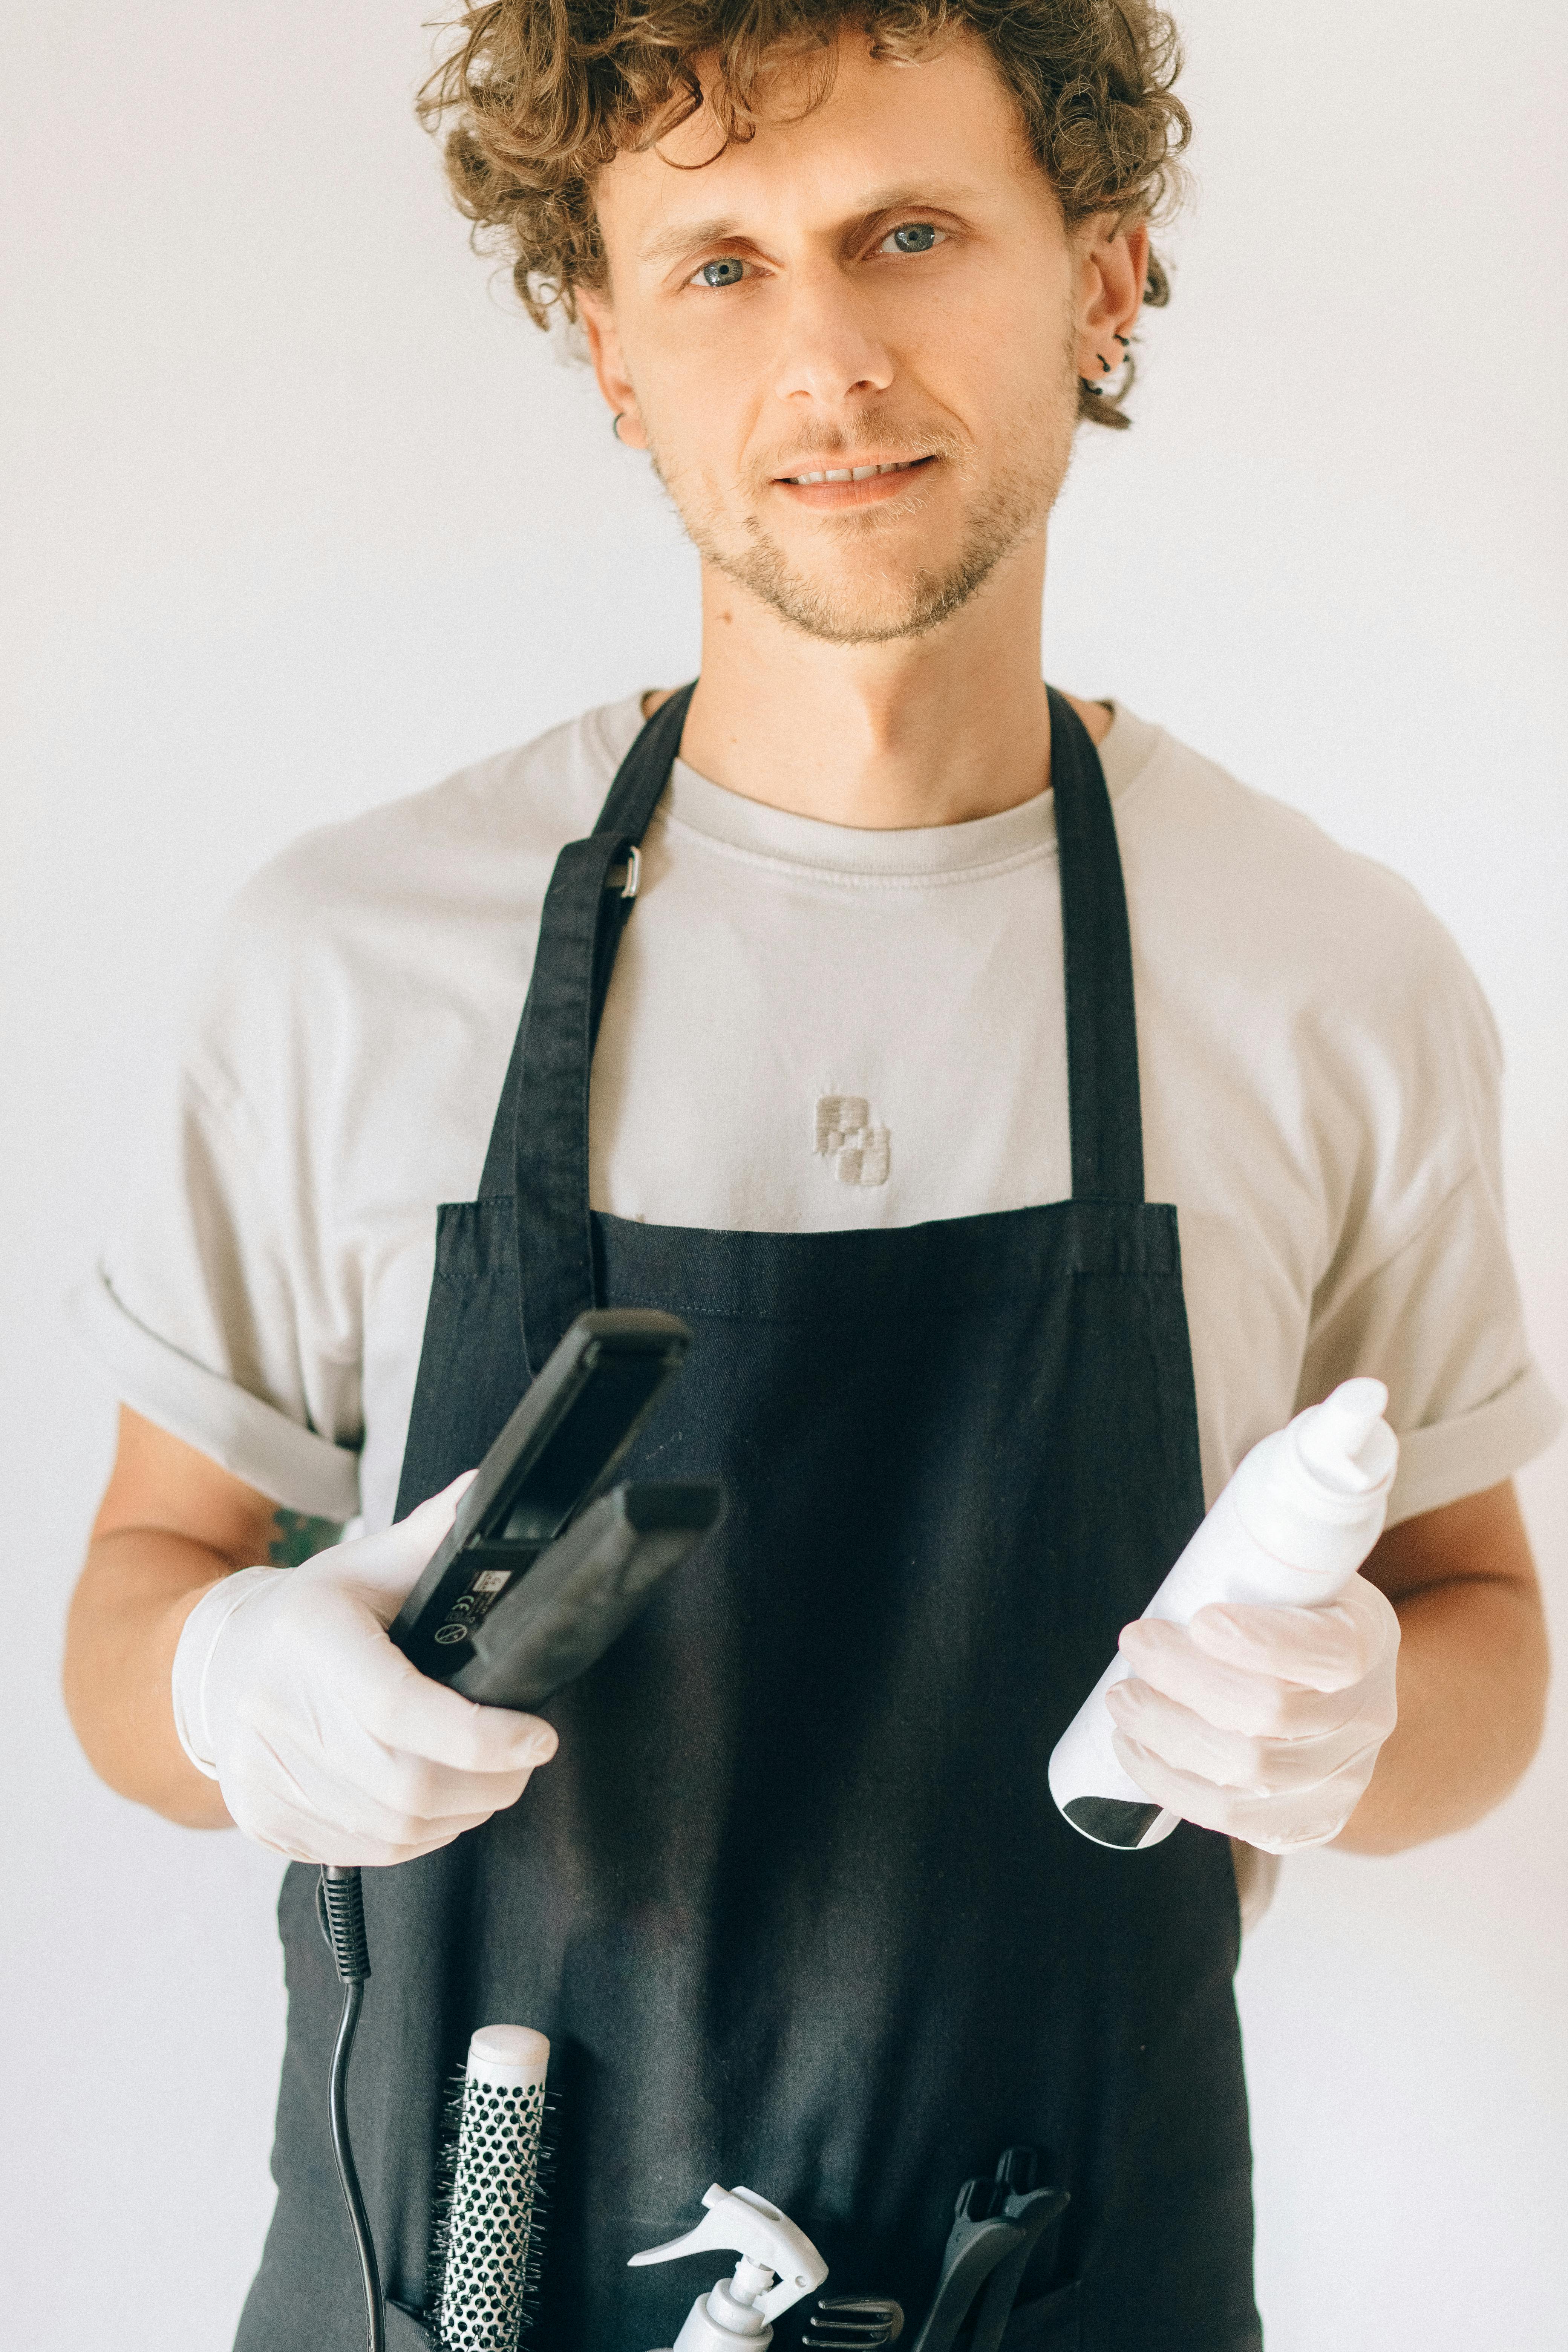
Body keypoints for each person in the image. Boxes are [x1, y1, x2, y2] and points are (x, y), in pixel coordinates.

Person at [62, 6, 1558, 2348]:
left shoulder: (1331, 979)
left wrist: (1366, 1715)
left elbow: (1486, 1635)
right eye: (720, 266)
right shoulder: (346, 963)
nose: (828, 356)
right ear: (608, 350)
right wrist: (233, 1678)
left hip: (1070, 2279)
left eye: (910, 234)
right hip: (446, 2284)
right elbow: (129, 1625)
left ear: (1102, 279)